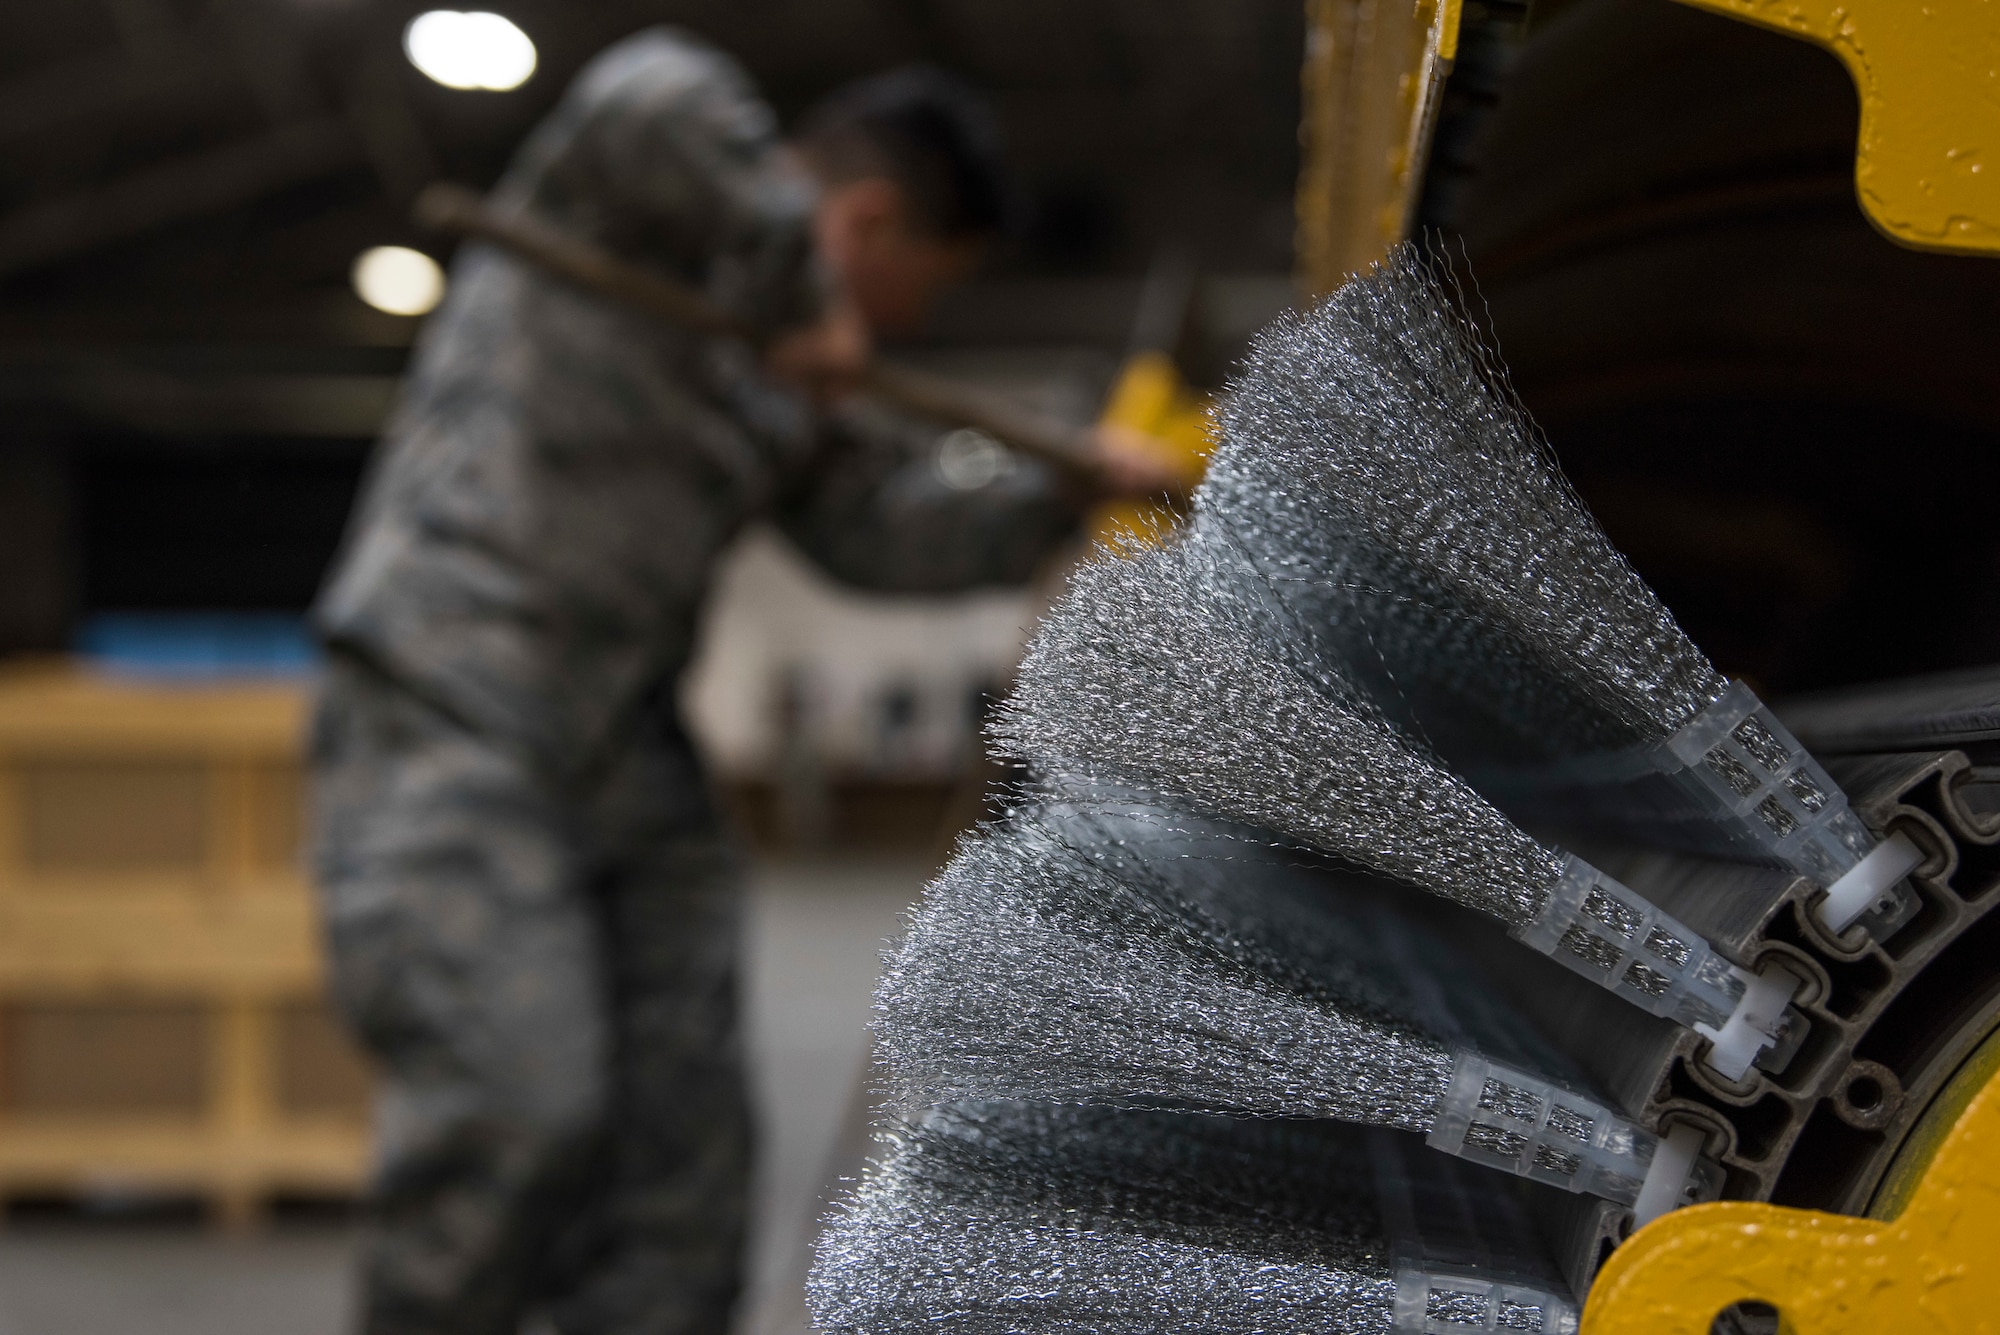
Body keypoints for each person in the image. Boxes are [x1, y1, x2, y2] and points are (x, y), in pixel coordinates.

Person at [309, 26, 1170, 1335]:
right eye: (911, 293)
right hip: (450, 709)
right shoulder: (630, 210)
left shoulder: (786, 393)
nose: (902, 332)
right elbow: (649, 83)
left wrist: (1059, 487)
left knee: (684, 1173)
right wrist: (800, 295)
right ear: (866, 220)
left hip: (623, 743)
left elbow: (881, 534)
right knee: (515, 1108)